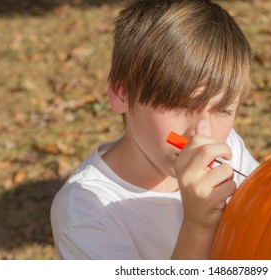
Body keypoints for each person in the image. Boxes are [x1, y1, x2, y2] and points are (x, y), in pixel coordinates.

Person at [50, 0, 259, 260]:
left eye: (222, 110)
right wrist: (198, 226)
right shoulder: (85, 210)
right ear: (121, 92)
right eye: (179, 105)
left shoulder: (229, 150)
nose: (203, 134)